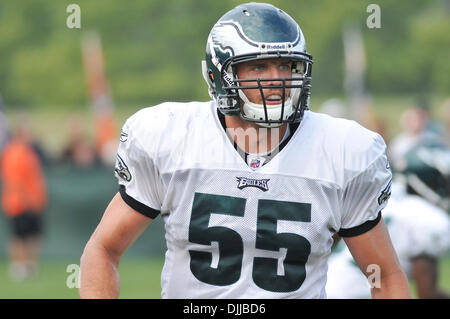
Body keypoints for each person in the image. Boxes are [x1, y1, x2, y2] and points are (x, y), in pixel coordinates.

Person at [79, 2, 410, 299]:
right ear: (217, 74)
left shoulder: (341, 151)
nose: (277, 80)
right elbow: (103, 250)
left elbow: (385, 276)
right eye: (259, 67)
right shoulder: (174, 138)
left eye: (286, 66)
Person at [326, 143, 450, 298]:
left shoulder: (388, 200)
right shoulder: (427, 218)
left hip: (330, 284)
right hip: (358, 292)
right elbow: (427, 294)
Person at [0, 119, 47, 281]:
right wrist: (27, 199)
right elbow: (15, 180)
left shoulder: (30, 153)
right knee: (19, 236)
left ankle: (31, 265)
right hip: (19, 203)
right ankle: (19, 266)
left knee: (33, 234)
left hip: (33, 201)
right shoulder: (13, 152)